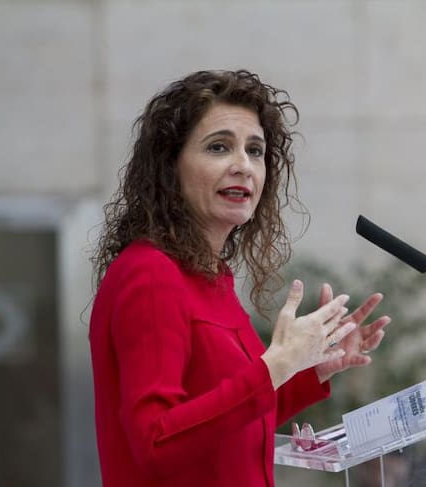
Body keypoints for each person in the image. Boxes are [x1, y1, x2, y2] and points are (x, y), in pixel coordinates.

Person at [89, 69, 390, 487]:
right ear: (169, 166)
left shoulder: (211, 277)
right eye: (219, 147)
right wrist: (276, 364)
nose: (243, 166)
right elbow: (156, 442)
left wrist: (309, 367)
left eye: (255, 150)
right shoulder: (151, 274)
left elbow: (229, 422)